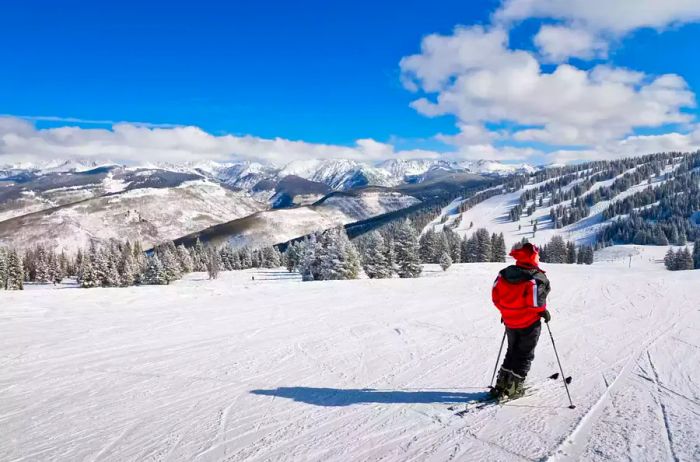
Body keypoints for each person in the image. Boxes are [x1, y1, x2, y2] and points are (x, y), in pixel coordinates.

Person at [490, 242, 551, 399]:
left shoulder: (504, 273)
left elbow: (496, 297)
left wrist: (506, 311)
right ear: (532, 257)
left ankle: (501, 385)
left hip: (510, 322)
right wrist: (543, 311)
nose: (538, 257)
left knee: (511, 352)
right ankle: (513, 389)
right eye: (537, 255)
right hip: (529, 323)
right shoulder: (535, 277)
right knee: (524, 355)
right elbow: (536, 302)